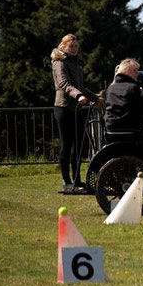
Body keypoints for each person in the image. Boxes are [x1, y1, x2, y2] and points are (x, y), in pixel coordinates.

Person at [51, 34, 101, 192]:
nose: (74, 49)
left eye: (76, 47)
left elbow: (80, 86)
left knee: (79, 146)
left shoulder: (75, 64)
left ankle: (77, 181)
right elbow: (64, 84)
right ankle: (67, 181)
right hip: (64, 108)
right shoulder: (59, 63)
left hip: (77, 109)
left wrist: (96, 99)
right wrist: (78, 96)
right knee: (67, 145)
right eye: (71, 46)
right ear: (63, 46)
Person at [105, 59, 143, 132]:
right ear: (127, 71)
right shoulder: (133, 88)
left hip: (111, 129)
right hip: (130, 129)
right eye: (135, 70)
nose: (137, 73)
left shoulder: (110, 88)